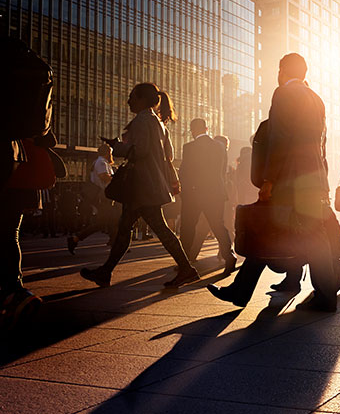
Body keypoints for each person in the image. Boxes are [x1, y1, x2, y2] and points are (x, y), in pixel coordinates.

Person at [207, 53, 340, 311]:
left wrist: (268, 180)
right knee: (311, 236)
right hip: (313, 177)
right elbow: (321, 144)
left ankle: (244, 290)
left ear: (282, 70)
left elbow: (279, 140)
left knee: (269, 229)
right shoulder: (316, 99)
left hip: (290, 178)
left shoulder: (284, 94)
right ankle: (244, 290)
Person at [80, 83, 199, 288]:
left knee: (155, 229)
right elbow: (166, 153)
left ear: (142, 99)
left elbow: (140, 151)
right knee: (126, 227)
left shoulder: (143, 120)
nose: (128, 101)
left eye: (132, 97)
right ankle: (105, 272)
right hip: (147, 184)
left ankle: (186, 269)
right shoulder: (157, 122)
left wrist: (116, 146)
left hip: (142, 186)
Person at [177, 119, 237, 274]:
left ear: (192, 130)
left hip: (195, 193)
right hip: (216, 192)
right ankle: (229, 255)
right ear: (206, 128)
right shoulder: (220, 146)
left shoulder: (189, 147)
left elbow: (185, 171)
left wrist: (185, 189)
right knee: (218, 225)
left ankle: (184, 261)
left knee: (188, 227)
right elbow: (222, 171)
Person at [67, 143, 116, 254]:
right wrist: (116, 179)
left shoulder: (101, 162)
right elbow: (104, 177)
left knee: (113, 220)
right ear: (108, 153)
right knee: (103, 222)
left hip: (104, 196)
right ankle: (75, 239)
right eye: (111, 153)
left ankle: (115, 242)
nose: (111, 155)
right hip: (103, 196)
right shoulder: (101, 162)